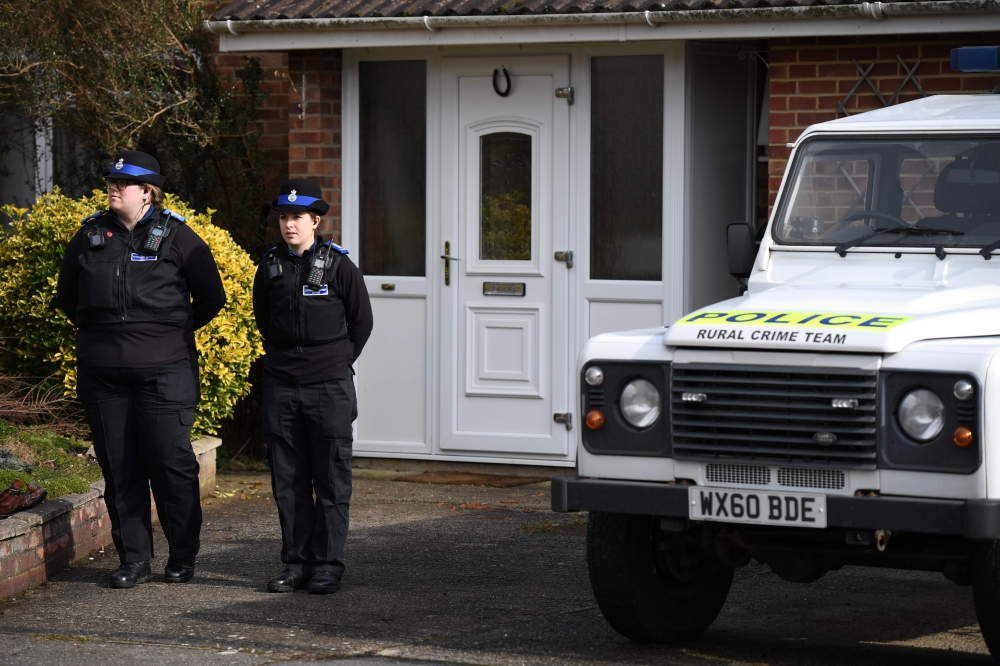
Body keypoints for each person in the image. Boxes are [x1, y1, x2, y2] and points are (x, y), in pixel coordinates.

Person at [57, 150, 226, 588]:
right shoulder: (90, 235)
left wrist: (164, 335)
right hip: (104, 376)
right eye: (110, 181)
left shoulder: (179, 237)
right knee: (120, 466)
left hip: (165, 372)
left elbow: (210, 298)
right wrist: (106, 336)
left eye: (122, 183)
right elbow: (67, 298)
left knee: (170, 463)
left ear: (147, 191)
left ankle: (182, 556)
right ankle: (133, 559)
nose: (113, 187)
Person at [252, 178, 373, 594]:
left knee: (331, 478)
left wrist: (336, 361)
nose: (289, 224)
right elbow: (263, 320)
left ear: (315, 220)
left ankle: (327, 564)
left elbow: (362, 322)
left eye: (297, 217)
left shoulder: (339, 266)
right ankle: (296, 563)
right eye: (284, 216)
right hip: (282, 386)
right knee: (288, 481)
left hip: (329, 387)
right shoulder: (269, 266)